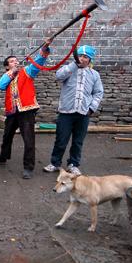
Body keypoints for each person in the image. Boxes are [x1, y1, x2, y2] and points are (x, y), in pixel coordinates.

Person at [0, 39, 52, 179]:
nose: (16, 62)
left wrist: (45, 48)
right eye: (12, 61)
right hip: (12, 111)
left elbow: (39, 61)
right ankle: (3, 156)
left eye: (16, 61)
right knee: (7, 136)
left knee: (28, 139)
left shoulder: (27, 71)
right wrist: (12, 72)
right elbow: (0, 86)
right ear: (7, 66)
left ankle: (28, 167)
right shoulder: (7, 76)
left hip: (26, 110)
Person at [44, 45, 104, 175]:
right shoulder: (69, 69)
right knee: (61, 139)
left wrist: (91, 108)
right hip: (66, 112)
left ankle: (73, 164)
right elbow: (58, 76)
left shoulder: (94, 75)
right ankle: (55, 163)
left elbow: (98, 92)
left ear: (90, 59)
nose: (82, 59)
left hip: (83, 113)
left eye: (85, 57)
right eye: (80, 56)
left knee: (78, 141)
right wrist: (74, 65)